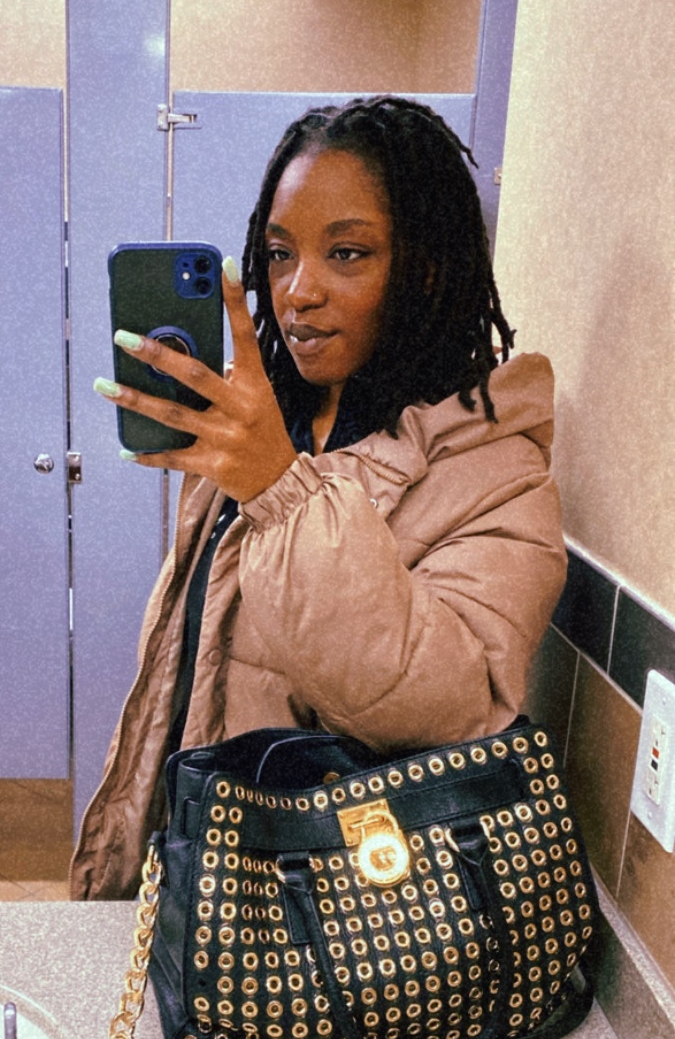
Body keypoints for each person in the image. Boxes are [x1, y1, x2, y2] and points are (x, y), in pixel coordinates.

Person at [71, 95, 566, 901]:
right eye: (279, 253)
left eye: (347, 253)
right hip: (202, 871)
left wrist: (281, 491)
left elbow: (447, 707)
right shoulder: (271, 421)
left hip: (342, 919)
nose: (297, 292)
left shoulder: (494, 470)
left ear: (427, 268)